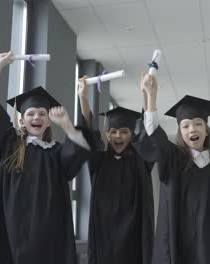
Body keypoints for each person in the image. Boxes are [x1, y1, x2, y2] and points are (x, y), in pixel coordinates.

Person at [0, 52, 92, 264]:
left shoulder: (56, 152)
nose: (36, 117)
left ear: (49, 121)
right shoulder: (10, 146)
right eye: (30, 113)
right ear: (21, 121)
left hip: (49, 238)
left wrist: (67, 125)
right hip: (13, 236)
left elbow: (79, 150)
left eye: (42, 113)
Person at [134, 73, 210, 264]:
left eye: (198, 124)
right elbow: (154, 133)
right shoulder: (173, 162)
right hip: (177, 249)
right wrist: (150, 96)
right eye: (185, 126)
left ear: (206, 129)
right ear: (180, 132)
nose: (192, 130)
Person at [77, 76, 154, 264]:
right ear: (107, 134)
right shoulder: (99, 161)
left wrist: (147, 94)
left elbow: (146, 131)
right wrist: (83, 97)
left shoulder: (140, 160)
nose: (117, 136)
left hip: (134, 239)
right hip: (104, 239)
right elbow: (89, 131)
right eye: (113, 132)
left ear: (131, 135)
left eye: (124, 131)